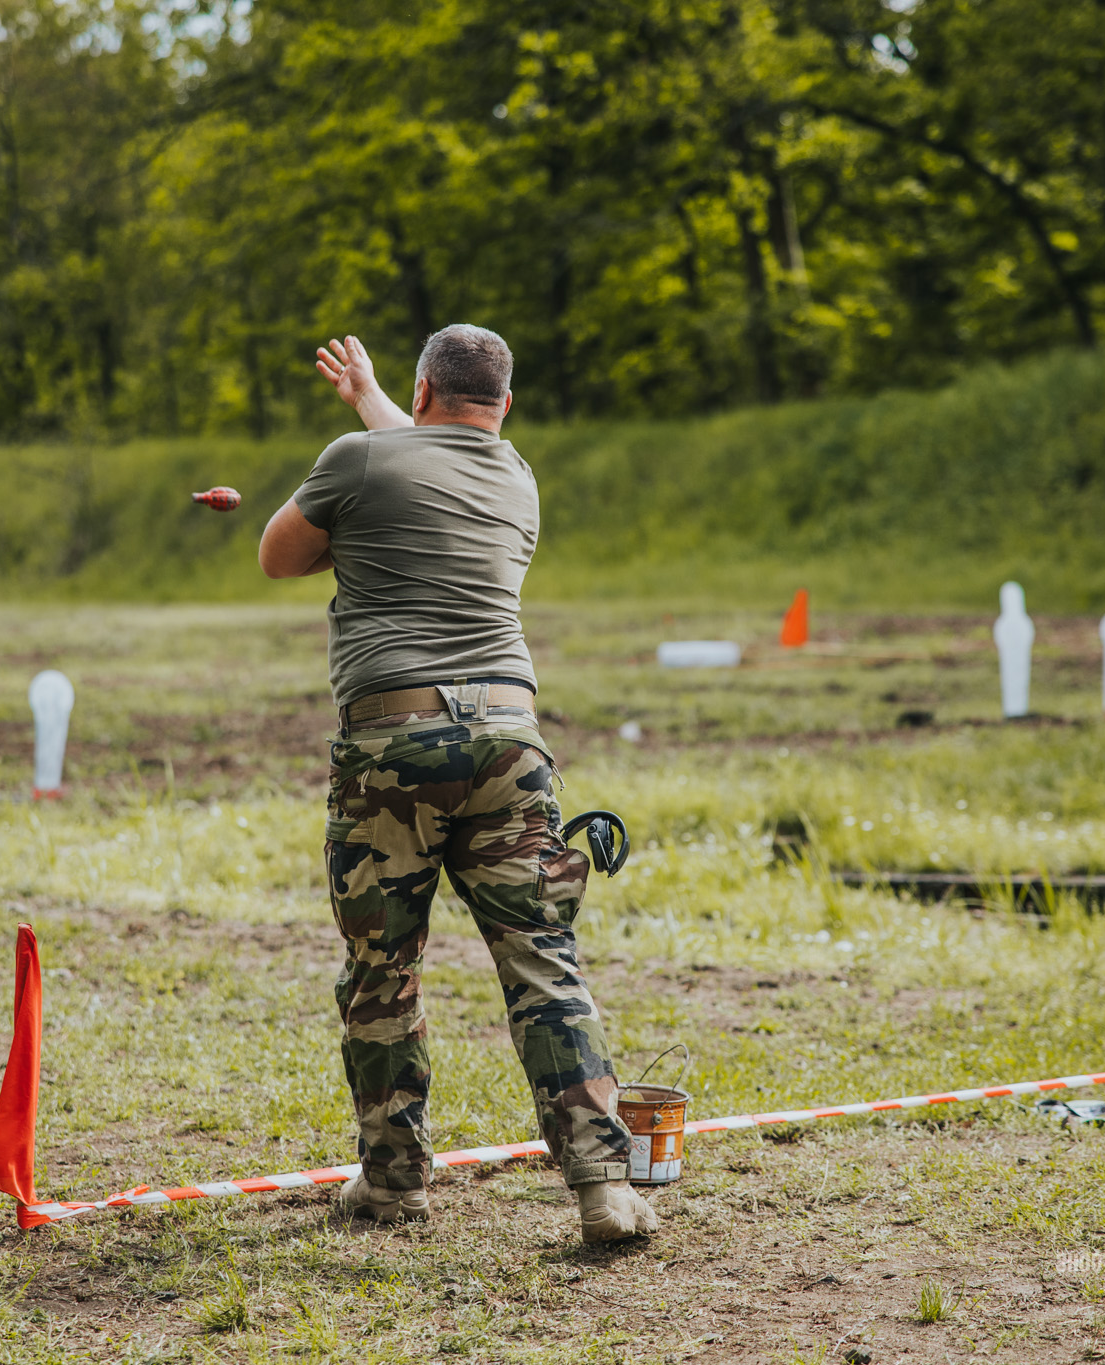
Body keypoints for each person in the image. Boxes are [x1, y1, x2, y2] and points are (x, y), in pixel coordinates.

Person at [259, 325, 658, 1244]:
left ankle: (394, 1185)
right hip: (511, 744)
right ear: (505, 404)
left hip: (393, 744)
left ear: (422, 391)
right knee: (543, 961)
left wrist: (353, 506)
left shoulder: (358, 461)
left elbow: (280, 555)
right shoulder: (516, 477)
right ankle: (604, 1187)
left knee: (383, 970)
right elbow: (429, 452)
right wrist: (370, 398)